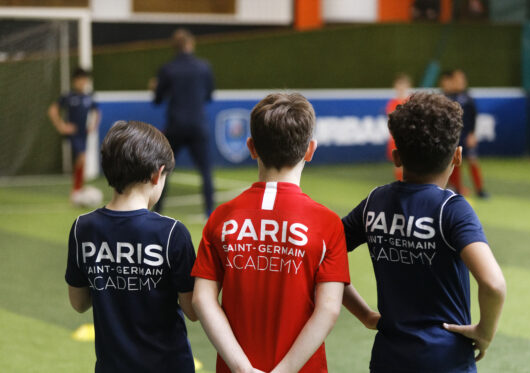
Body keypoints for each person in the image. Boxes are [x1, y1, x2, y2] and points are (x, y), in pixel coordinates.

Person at [342, 93, 506, 373]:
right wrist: (484, 332)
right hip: (446, 360)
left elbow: (320, 256)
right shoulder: (452, 209)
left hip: (388, 359)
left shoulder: (374, 203)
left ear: (396, 157)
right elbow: (493, 285)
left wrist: (366, 315)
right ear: (457, 156)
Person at [191, 93, 350, 373]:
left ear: (251, 147)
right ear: (310, 150)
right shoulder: (327, 223)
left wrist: (241, 368)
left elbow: (202, 299)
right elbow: (329, 309)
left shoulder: (221, 217)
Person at [64, 120, 198, 373]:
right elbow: (193, 310)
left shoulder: (83, 228)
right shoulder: (171, 233)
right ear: (158, 175)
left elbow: (79, 302)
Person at [151, 28, 215, 217]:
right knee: (205, 171)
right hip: (198, 125)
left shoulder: (168, 69)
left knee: (163, 170)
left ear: (174, 47)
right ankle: (209, 212)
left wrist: (155, 87)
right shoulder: (204, 67)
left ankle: (157, 211)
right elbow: (209, 96)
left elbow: (157, 100)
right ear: (191, 45)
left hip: (175, 126)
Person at [48, 67, 100, 204]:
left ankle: (78, 189)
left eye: (85, 80)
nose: (83, 82)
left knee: (81, 160)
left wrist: (93, 125)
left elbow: (97, 111)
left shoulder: (89, 97)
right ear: (75, 81)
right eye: (81, 79)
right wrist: (61, 126)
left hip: (84, 134)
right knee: (82, 158)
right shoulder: (68, 96)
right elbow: (53, 110)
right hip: (74, 133)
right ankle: (76, 191)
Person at [442, 69, 488, 198]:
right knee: (456, 162)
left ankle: (480, 189)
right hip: (454, 136)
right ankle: (457, 189)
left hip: (467, 135)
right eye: (457, 79)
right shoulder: (448, 97)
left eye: (462, 79)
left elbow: (474, 116)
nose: (460, 82)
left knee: (472, 160)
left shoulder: (468, 98)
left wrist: (473, 134)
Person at [385, 73, 412, 181]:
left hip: (410, 138)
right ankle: (401, 185)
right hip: (397, 138)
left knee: (410, 165)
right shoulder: (392, 103)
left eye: (403, 85)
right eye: (398, 85)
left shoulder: (411, 101)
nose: (400, 88)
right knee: (398, 165)